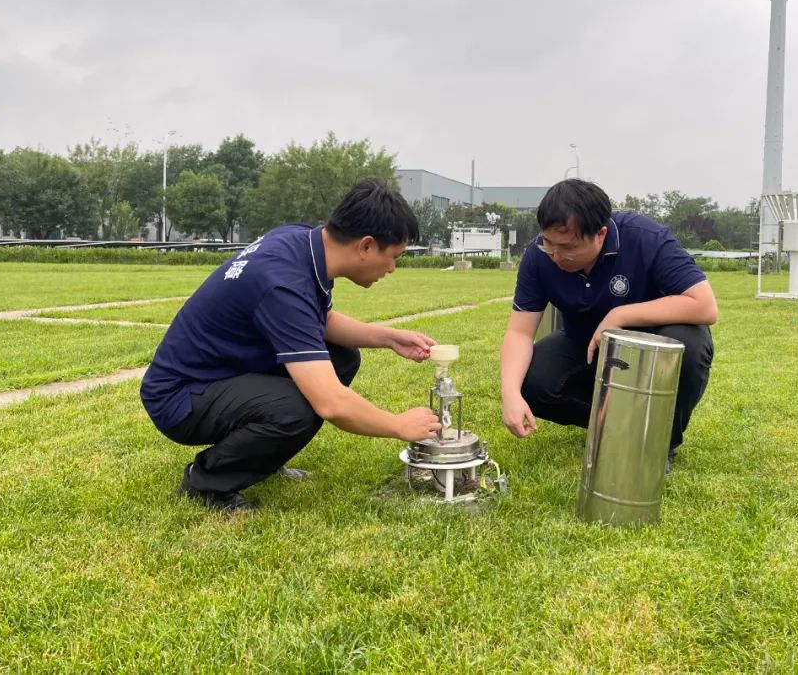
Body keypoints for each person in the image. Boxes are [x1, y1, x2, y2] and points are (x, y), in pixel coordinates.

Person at [140, 179, 442, 512]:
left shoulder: (302, 241)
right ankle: (206, 483)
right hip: (180, 396)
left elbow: (318, 321)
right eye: (393, 256)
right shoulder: (283, 284)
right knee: (296, 409)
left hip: (219, 375)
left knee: (342, 358)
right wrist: (398, 425)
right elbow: (331, 403)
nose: (392, 268)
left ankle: (263, 454)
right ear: (366, 246)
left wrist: (389, 338)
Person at [499, 179, 717, 471]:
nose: (556, 256)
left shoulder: (646, 238)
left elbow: (704, 305)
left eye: (568, 247)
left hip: (653, 342)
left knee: (687, 348)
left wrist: (620, 316)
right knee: (531, 381)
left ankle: (660, 441)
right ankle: (618, 427)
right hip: (584, 342)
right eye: (549, 243)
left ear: (600, 234)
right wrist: (510, 394)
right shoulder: (538, 257)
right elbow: (519, 332)